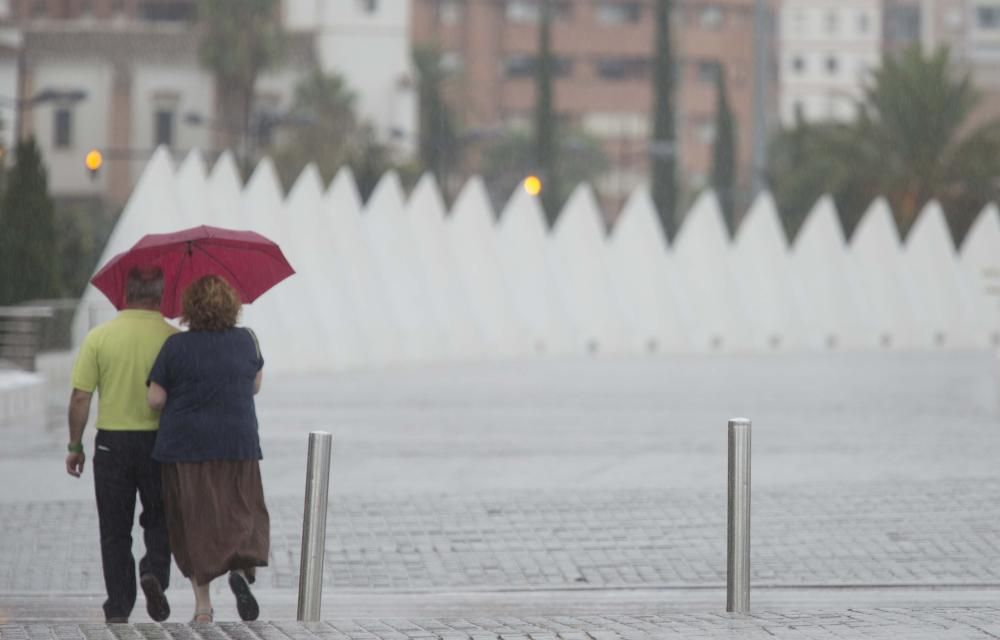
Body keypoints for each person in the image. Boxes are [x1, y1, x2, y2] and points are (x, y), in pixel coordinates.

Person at [146, 274, 269, 623]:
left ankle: (202, 607)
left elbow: (155, 398)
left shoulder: (176, 347)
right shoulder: (247, 340)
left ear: (191, 310)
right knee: (241, 511)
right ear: (231, 306)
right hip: (237, 442)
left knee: (193, 523)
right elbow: (255, 385)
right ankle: (240, 568)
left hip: (185, 448)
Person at [66, 266, 176, 623]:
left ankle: (118, 607)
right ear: (159, 295)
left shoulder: (100, 337)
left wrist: (75, 445)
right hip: (160, 443)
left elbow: (81, 397)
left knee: (114, 531)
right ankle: (154, 573)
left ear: (125, 294)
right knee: (160, 519)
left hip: (112, 445)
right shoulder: (172, 339)